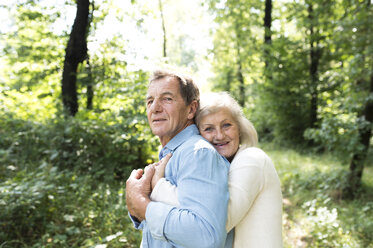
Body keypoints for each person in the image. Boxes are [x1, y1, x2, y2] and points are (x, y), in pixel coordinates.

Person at [150, 92, 283, 248]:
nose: (219, 135)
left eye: (226, 125)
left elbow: (215, 221)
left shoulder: (252, 159)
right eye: (208, 129)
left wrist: (158, 186)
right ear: (198, 135)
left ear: (239, 128)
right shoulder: (219, 169)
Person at [125, 70, 231, 248]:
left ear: (191, 109)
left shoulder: (197, 154)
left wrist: (142, 206)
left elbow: (206, 237)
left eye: (167, 99)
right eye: (150, 101)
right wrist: (137, 209)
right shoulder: (173, 154)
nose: (155, 108)